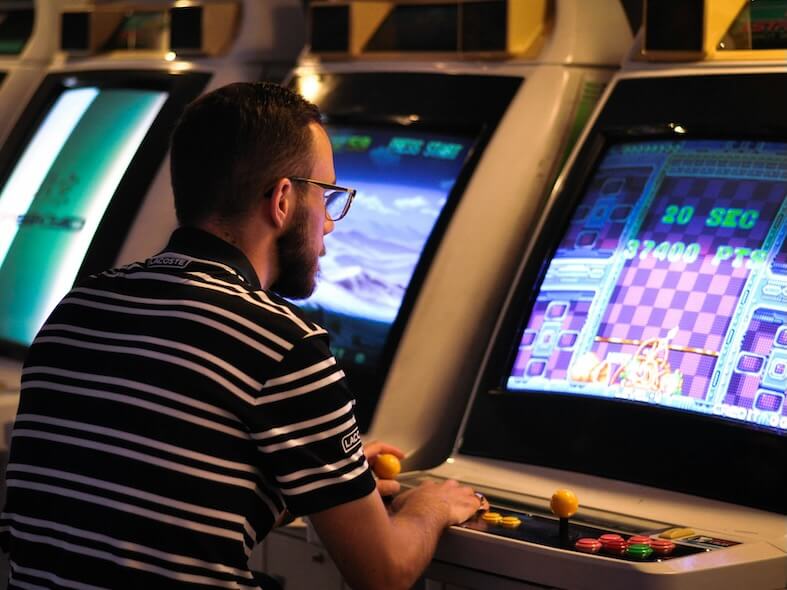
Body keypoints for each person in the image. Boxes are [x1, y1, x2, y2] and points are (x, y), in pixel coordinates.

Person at [0, 82, 487, 590]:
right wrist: (429, 507)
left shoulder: (78, 306)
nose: (329, 225)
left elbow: (158, 517)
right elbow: (384, 573)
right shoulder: (282, 345)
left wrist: (324, 475)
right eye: (328, 197)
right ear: (281, 200)